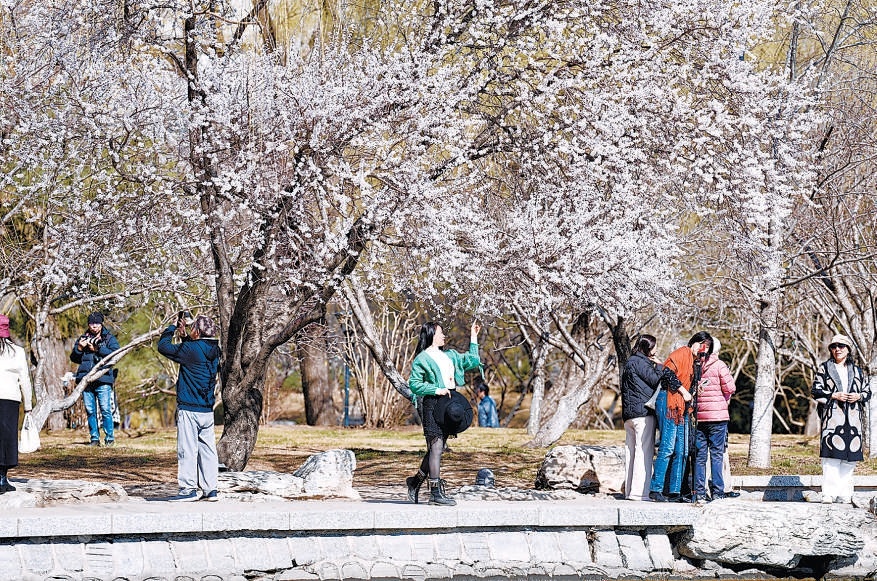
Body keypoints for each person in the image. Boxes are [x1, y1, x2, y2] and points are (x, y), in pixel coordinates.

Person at [405, 321, 481, 506]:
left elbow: (473, 361)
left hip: (449, 405)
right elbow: (414, 384)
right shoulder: (422, 359)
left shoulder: (450, 355)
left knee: (435, 449)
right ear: (431, 335)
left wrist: (473, 336)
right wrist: (436, 389)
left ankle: (415, 482)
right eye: (440, 333)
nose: (444, 336)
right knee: (437, 448)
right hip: (432, 404)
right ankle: (435, 493)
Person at [158, 313, 222, 502]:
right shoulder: (214, 349)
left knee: (187, 449)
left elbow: (164, 347)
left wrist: (171, 328)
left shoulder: (191, 349)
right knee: (208, 451)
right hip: (206, 410)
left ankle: (188, 489)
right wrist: (184, 335)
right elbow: (194, 352)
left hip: (189, 409)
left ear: (198, 331)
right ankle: (211, 490)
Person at [649, 331, 712, 502]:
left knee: (682, 450)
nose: (702, 353)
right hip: (669, 401)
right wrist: (684, 391)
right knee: (668, 447)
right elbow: (667, 374)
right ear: (696, 343)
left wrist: (693, 390)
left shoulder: (694, 363)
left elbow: (688, 384)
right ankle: (656, 489)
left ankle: (675, 491)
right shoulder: (680, 354)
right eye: (702, 347)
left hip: (683, 406)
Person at [811, 333, 870, 504]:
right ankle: (828, 493)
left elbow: (868, 392)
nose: (837, 349)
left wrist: (858, 396)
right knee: (831, 457)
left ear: (848, 349)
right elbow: (816, 391)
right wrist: (833, 395)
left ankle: (845, 493)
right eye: (834, 346)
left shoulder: (858, 371)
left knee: (849, 459)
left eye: (841, 346)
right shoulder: (824, 368)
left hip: (853, 420)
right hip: (833, 420)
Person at [620, 334, 663, 501]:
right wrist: (659, 365)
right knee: (643, 452)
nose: (656, 350)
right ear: (647, 348)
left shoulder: (630, 362)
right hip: (643, 414)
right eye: (654, 347)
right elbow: (654, 380)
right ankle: (639, 493)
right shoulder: (641, 362)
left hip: (629, 415)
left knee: (631, 452)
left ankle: (630, 490)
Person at [693, 337, 736, 502]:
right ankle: (718, 492)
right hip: (718, 417)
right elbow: (730, 387)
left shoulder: (697, 365)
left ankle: (699, 493)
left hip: (701, 417)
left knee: (700, 456)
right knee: (717, 455)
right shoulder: (720, 365)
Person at [70, 312, 120, 447]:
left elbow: (116, 354)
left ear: (101, 323)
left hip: (103, 378)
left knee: (105, 409)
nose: (94, 326)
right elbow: (74, 358)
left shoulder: (109, 338)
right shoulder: (83, 337)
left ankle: (109, 438)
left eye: (97, 323)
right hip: (86, 379)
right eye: (91, 323)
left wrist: (98, 349)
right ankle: (94, 439)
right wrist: (80, 348)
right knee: (90, 410)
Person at [0, 315, 34, 493]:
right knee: (7, 438)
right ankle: (2, 478)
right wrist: (28, 406)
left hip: (8, 397)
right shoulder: (18, 352)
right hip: (10, 399)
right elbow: (25, 381)